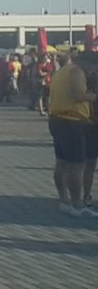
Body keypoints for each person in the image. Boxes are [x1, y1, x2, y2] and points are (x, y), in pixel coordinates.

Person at [47, 51, 98, 218]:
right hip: (71, 121)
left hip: (57, 119)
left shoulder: (61, 71)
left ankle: (64, 201)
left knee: (61, 162)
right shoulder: (76, 71)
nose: (93, 72)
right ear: (88, 63)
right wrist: (94, 96)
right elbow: (79, 95)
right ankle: (77, 205)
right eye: (94, 68)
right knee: (76, 165)